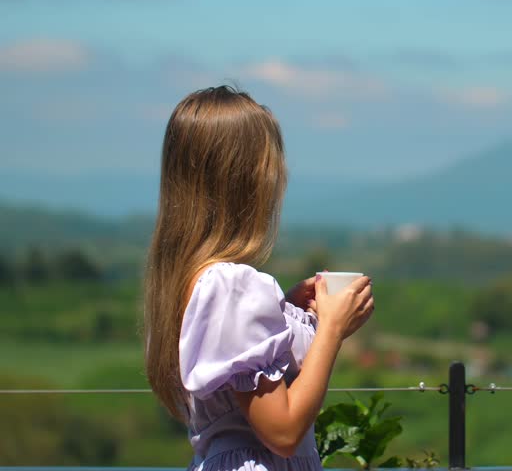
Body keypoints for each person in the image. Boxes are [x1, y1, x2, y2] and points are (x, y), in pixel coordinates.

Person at [142, 85, 374, 471]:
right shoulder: (232, 287)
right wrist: (332, 329)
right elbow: (282, 433)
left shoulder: (189, 282)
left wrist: (284, 313)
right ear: (244, 181)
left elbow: (237, 391)